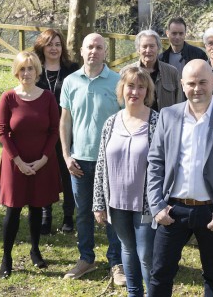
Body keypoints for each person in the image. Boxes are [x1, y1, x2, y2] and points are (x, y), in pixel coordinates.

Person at [147, 59, 213, 297]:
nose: (197, 88)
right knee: (160, 273)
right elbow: (155, 163)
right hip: (172, 210)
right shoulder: (168, 116)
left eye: (203, 82)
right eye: (191, 83)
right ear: (182, 85)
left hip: (212, 213)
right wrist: (157, 206)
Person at [60, 33, 125, 285]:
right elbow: (65, 121)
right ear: (81, 50)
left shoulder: (118, 81)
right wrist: (66, 155)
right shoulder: (70, 81)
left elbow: (124, 121)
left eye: (99, 47)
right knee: (83, 212)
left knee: (112, 213)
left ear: (105, 51)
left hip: (109, 161)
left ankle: (116, 262)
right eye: (90, 47)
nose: (94, 51)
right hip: (79, 160)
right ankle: (86, 258)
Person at [94, 67, 160, 297]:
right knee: (128, 249)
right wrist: (98, 204)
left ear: (147, 91)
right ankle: (134, 293)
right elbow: (101, 165)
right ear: (122, 89)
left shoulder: (156, 121)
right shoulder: (111, 123)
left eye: (141, 87)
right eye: (131, 86)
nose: (135, 91)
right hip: (117, 202)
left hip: (147, 204)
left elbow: (165, 166)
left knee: (146, 253)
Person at [0, 51, 61, 278]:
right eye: (22, 69)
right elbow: (3, 132)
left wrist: (44, 158)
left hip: (41, 162)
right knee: (13, 210)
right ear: (17, 71)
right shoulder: (8, 98)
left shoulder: (48, 98)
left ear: (37, 71)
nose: (27, 73)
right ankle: (7, 257)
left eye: (31, 68)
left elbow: (55, 130)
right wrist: (19, 161)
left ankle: (35, 250)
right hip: (15, 163)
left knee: (36, 206)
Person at [33, 28, 80, 235]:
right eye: (50, 44)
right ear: (42, 46)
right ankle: (46, 215)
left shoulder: (72, 69)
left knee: (67, 171)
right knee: (45, 173)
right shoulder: (34, 70)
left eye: (58, 44)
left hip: (68, 129)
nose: (54, 48)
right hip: (41, 132)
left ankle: (69, 215)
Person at [135, 29, 183, 111]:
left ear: (158, 48)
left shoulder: (172, 72)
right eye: (144, 46)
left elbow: (179, 103)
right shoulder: (127, 73)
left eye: (152, 46)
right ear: (138, 49)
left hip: (166, 122)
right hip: (136, 121)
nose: (148, 50)